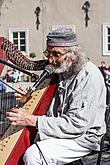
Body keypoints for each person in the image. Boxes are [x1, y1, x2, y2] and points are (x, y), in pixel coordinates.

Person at [6, 28, 106, 165]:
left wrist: (33, 120)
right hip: (62, 132)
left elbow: (76, 125)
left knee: (33, 156)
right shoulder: (62, 71)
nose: (50, 59)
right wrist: (28, 98)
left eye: (56, 54)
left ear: (74, 53)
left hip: (83, 137)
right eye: (48, 52)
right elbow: (48, 104)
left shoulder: (89, 76)